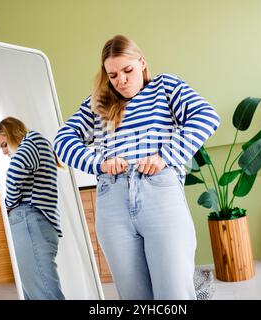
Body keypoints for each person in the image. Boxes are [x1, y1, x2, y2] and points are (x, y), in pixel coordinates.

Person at [54, 35, 220, 300]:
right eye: (113, 75)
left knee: (174, 293)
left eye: (128, 70)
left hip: (160, 193)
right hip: (112, 201)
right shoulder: (98, 103)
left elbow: (207, 116)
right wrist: (98, 164)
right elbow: (61, 140)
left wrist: (164, 156)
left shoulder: (165, 86)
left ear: (142, 63)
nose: (121, 80)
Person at [0, 117, 64, 300]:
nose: (3, 151)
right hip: (36, 222)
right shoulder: (38, 144)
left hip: (29, 220)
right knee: (35, 291)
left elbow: (14, 174)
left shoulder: (32, 141)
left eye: (3, 144)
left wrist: (9, 204)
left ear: (11, 133)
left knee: (43, 293)